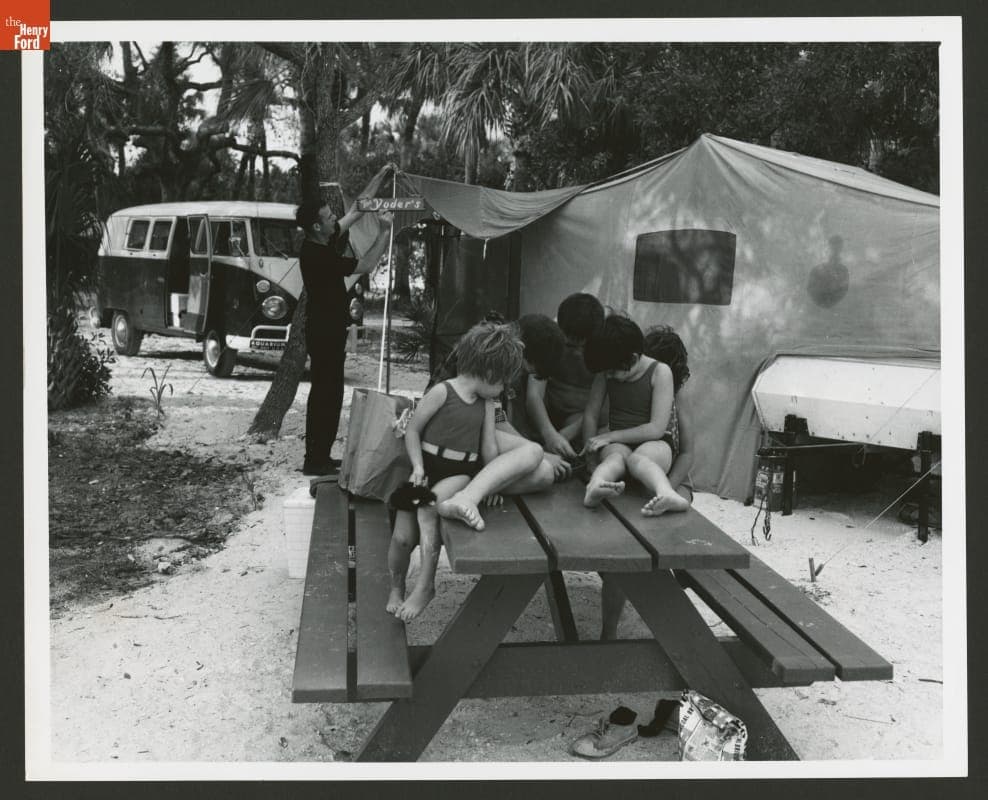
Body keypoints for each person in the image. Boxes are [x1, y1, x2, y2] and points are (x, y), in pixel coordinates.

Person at [387, 322, 544, 621]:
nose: (504, 389)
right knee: (402, 538)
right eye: (503, 382)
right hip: (426, 467)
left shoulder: (487, 405)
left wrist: (494, 486)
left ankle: (425, 586)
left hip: (458, 473)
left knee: (428, 510)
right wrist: (418, 465)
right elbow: (413, 431)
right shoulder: (441, 392)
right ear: (489, 373)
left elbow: (489, 452)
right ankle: (396, 586)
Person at [600, 323, 696, 640]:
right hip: (634, 482)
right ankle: (609, 632)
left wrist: (665, 483)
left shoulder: (677, 404)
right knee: (622, 552)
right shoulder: (626, 394)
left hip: (671, 482)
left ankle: (670, 616)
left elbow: (687, 452)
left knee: (649, 546)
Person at [295, 197, 393, 476]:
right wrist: (384, 231)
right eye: (328, 217)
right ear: (316, 226)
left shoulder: (321, 239)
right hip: (323, 332)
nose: (333, 219)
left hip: (329, 330)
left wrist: (380, 175)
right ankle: (315, 460)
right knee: (326, 394)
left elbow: (356, 210)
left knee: (330, 392)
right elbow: (366, 265)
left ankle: (320, 456)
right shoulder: (318, 254)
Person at [580, 314, 690, 515]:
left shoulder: (660, 372)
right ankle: (595, 485)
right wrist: (590, 459)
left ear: (632, 358)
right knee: (614, 458)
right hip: (619, 442)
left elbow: (656, 428)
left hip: (655, 443)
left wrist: (610, 436)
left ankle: (666, 493)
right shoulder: (607, 371)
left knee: (639, 459)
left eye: (612, 373)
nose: (608, 377)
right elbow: (590, 415)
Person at [526, 293, 606, 459]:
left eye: (584, 347)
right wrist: (549, 434)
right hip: (547, 407)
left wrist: (566, 434)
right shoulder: (548, 334)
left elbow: (606, 402)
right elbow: (534, 395)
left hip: (581, 415)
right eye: (570, 346)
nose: (577, 353)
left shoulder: (607, 339)